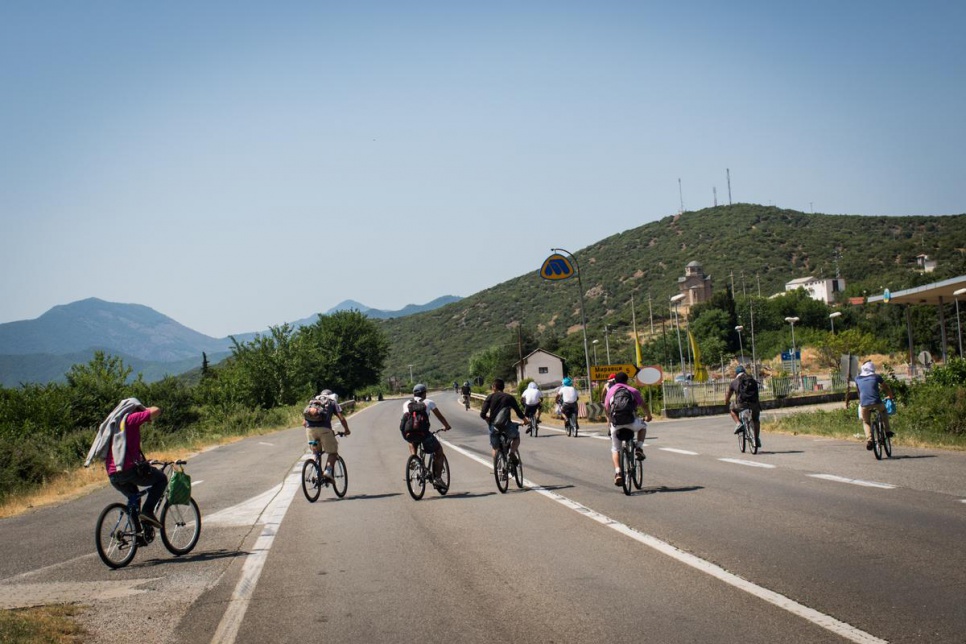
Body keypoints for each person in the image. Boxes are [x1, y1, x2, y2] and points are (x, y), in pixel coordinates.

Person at [104, 401, 165, 529]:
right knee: (161, 479)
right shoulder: (130, 418)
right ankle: (148, 511)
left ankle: (137, 534)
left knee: (134, 498)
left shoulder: (114, 424)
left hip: (113, 474)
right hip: (128, 470)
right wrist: (144, 409)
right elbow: (156, 410)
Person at [603, 372, 652, 486]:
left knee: (615, 449)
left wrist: (609, 420)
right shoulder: (632, 390)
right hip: (631, 422)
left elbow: (606, 408)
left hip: (616, 424)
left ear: (615, 381)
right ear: (627, 380)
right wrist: (648, 416)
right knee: (643, 427)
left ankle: (618, 472)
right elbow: (643, 405)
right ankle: (639, 448)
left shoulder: (611, 391)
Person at [401, 384, 452, 484]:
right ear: (424, 393)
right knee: (438, 450)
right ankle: (437, 478)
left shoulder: (406, 403)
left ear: (414, 393)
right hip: (423, 433)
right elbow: (440, 417)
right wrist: (446, 426)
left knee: (411, 440)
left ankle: (414, 458)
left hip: (408, 433)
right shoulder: (429, 402)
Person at [304, 389, 351, 482]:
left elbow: (303, 423)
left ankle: (315, 466)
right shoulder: (332, 402)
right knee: (333, 452)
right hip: (325, 430)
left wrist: (313, 429)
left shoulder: (314, 403)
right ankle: (328, 471)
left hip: (309, 429)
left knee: (316, 452)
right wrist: (346, 430)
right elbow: (341, 418)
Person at [480, 378, 526, 464]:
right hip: (506, 425)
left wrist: (488, 420)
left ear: (494, 387)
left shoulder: (490, 397)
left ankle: (497, 468)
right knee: (516, 438)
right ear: (503, 387)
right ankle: (512, 452)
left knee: (495, 448)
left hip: (494, 426)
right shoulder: (509, 397)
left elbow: (482, 414)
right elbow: (518, 412)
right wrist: (525, 420)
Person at [854, 360, 895, 450]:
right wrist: (891, 396)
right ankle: (887, 431)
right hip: (877, 402)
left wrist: (861, 401)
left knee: (866, 422)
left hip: (864, 404)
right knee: (884, 411)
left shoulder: (857, 378)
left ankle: (869, 440)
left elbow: (859, 392)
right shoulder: (876, 377)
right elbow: (886, 387)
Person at [724, 365, 761, 448]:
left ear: (736, 373)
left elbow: (728, 396)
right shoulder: (752, 380)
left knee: (732, 409)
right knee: (756, 420)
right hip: (754, 404)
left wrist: (726, 402)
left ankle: (738, 424)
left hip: (741, 404)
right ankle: (756, 438)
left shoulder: (734, 382)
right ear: (744, 372)